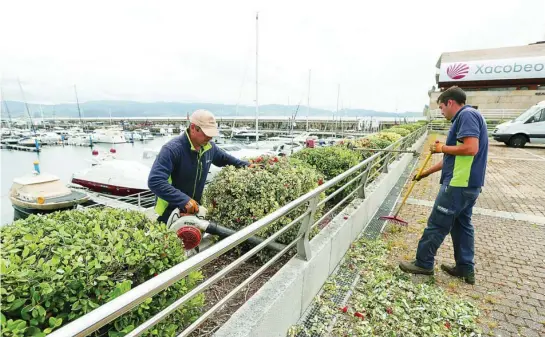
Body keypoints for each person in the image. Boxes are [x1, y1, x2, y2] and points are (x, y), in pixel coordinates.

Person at [399, 86, 488, 285]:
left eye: (441, 107)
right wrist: (425, 173)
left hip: (458, 185)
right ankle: (465, 269)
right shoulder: (469, 116)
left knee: (437, 223)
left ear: (450, 102)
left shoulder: (466, 115)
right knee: (462, 226)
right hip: (468, 185)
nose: (441, 112)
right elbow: (452, 158)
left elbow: (471, 148)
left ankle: (423, 263)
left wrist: (441, 148)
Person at [148, 109, 251, 223]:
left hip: (192, 209)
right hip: (169, 211)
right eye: (207, 133)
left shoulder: (209, 147)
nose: (210, 137)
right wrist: (184, 200)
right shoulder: (172, 150)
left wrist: (249, 166)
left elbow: (225, 159)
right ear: (193, 128)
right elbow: (155, 181)